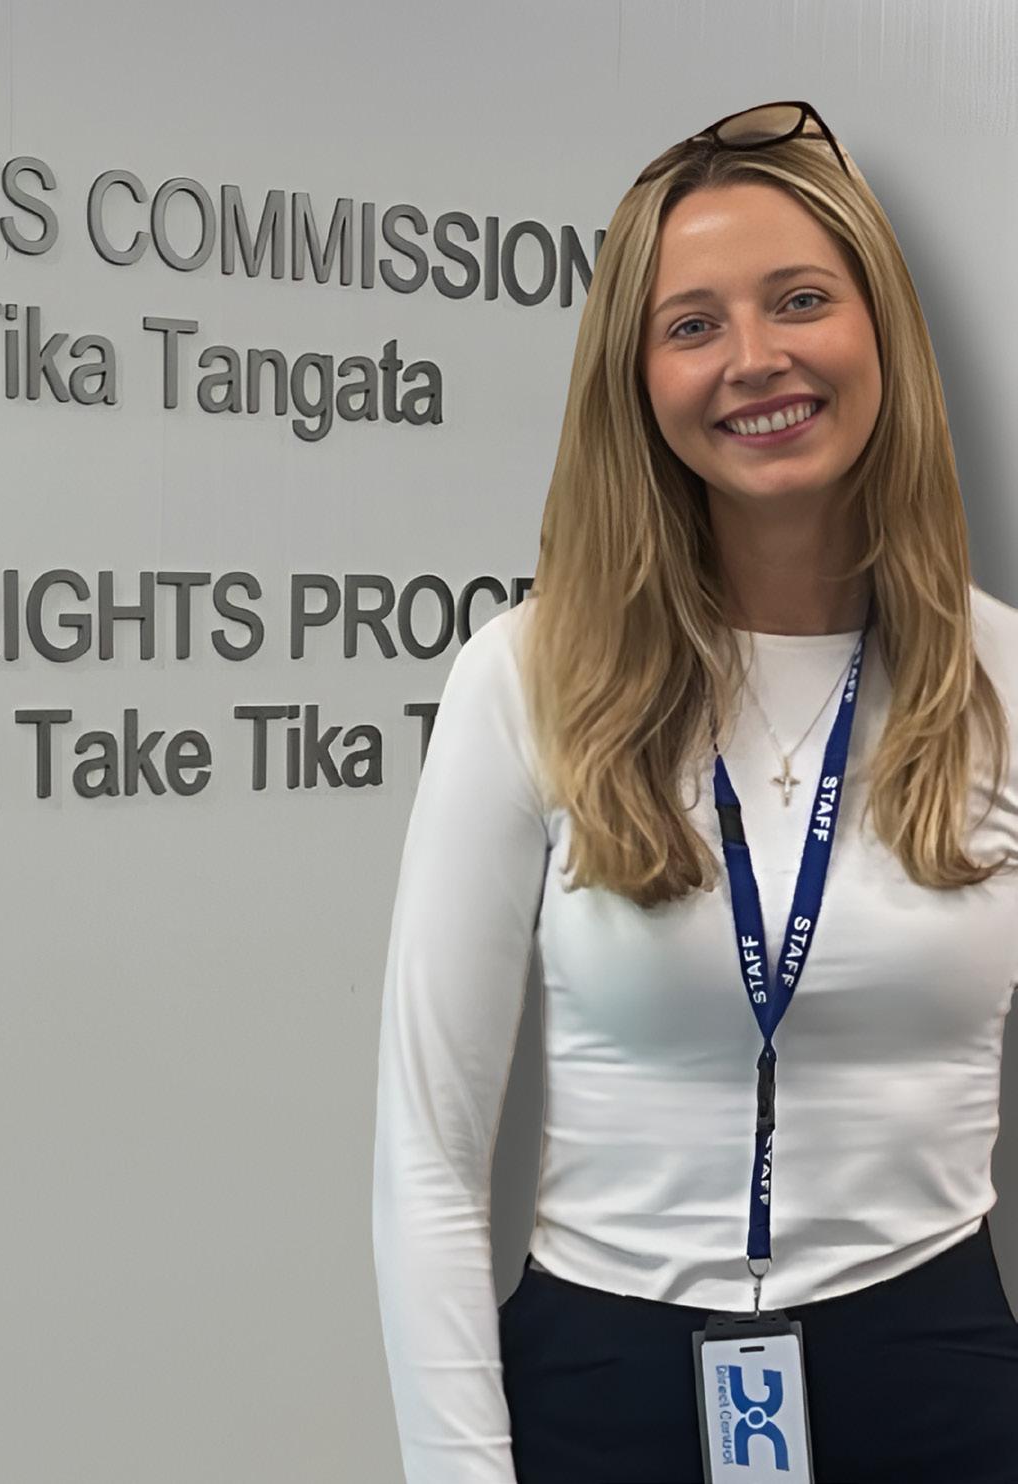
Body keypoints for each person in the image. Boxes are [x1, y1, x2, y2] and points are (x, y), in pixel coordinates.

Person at [371, 101, 1018, 1483]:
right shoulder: (527, 676)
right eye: (692, 324)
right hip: (604, 1388)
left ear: (884, 330)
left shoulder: (1005, 680)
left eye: (801, 300)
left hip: (940, 1381)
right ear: (637, 377)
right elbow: (428, 1158)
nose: (755, 357)